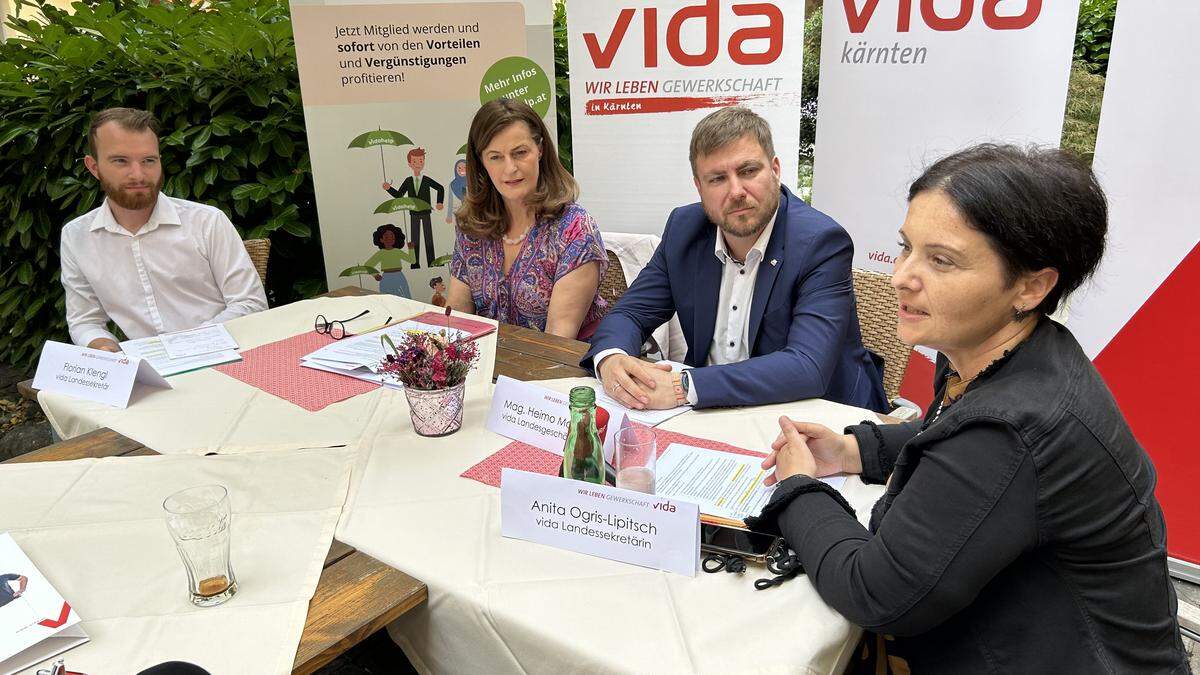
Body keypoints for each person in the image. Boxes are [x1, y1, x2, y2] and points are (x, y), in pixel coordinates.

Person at [748, 144, 1189, 673]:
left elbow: (877, 594)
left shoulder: (1012, 428)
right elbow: (945, 433)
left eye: (941, 260)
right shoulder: (1005, 355)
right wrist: (852, 449)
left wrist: (798, 488)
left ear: (1030, 285)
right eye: (906, 248)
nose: (900, 277)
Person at [583, 106, 886, 411]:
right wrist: (612, 358)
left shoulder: (821, 243)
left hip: (818, 419)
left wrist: (684, 386)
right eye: (717, 179)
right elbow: (630, 314)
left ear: (776, 171)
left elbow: (807, 367)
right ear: (699, 188)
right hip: (712, 414)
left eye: (748, 171)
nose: (736, 191)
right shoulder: (684, 229)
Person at [60, 108, 267, 352]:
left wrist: (183, 348)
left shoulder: (207, 222)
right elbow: (85, 320)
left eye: (148, 160)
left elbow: (250, 303)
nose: (138, 174)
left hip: (229, 355)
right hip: (148, 370)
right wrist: (104, 347)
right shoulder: (77, 236)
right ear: (93, 167)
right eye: (120, 161)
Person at [448, 98, 608, 340]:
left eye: (520, 153)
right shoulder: (472, 225)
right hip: (488, 366)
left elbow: (557, 342)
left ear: (540, 150)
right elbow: (457, 321)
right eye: (495, 157)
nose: (510, 168)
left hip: (560, 368)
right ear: (481, 162)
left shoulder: (574, 229)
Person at [383, 148, 444, 269]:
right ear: (410, 164)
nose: (418, 164)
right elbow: (399, 195)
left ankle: (431, 261)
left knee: (428, 238)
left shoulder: (426, 180)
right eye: (415, 162)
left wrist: (439, 202)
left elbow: (440, 188)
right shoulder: (408, 181)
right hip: (414, 213)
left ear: (424, 162)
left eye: (421, 161)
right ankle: (415, 263)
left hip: (426, 211)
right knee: (415, 239)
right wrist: (389, 188)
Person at [363, 223, 413, 298]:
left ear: (395, 239)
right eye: (386, 237)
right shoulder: (381, 253)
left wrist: (411, 249)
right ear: (381, 240)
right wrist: (375, 275)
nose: (389, 239)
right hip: (386, 278)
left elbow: (412, 261)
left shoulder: (397, 251)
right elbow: (367, 265)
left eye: (392, 237)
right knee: (387, 298)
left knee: (404, 297)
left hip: (399, 277)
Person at [445, 158, 467, 227]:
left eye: (464, 168)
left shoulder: (472, 183)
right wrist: (449, 216)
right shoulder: (452, 184)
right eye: (459, 168)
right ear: (456, 170)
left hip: (471, 213)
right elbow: (450, 201)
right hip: (457, 212)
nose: (462, 170)